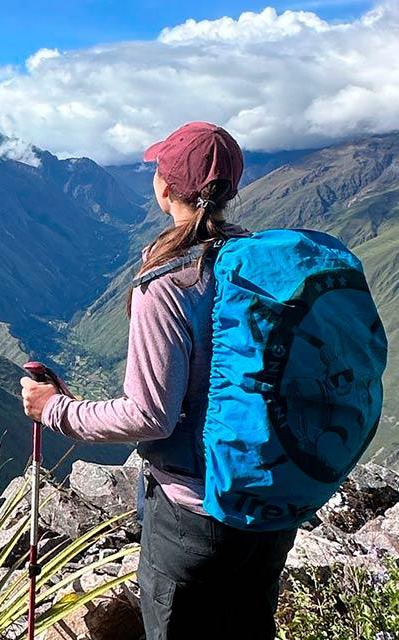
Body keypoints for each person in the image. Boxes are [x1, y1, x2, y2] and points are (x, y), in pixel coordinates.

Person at [20, 122, 298, 640]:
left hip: (196, 515)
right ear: (232, 189)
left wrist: (54, 409)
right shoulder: (261, 266)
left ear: (164, 189)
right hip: (269, 502)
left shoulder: (169, 285)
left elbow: (148, 414)